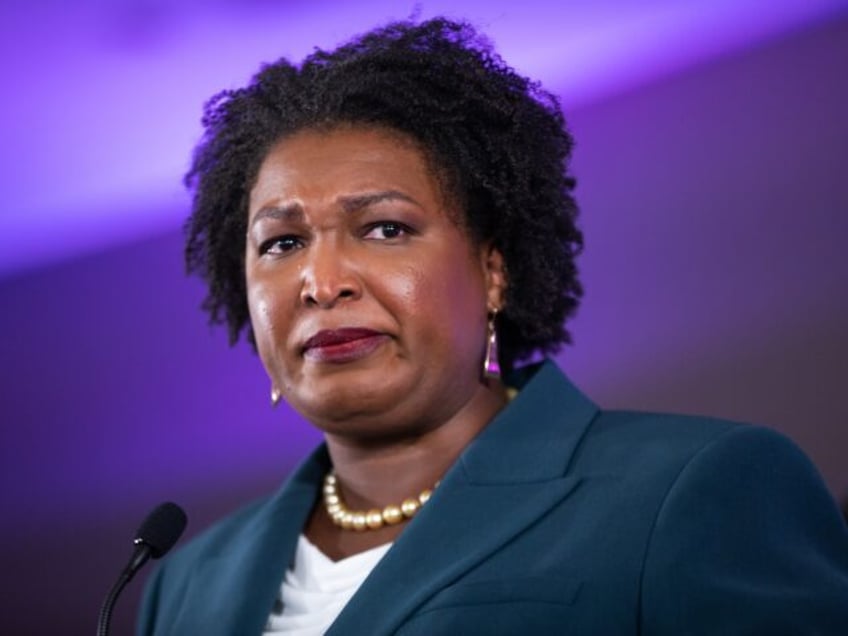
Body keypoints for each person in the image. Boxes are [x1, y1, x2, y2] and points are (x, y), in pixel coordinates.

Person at [137, 17, 848, 635]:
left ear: (494, 270)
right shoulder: (185, 579)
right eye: (282, 243)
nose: (322, 282)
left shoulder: (694, 489)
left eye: (384, 228)